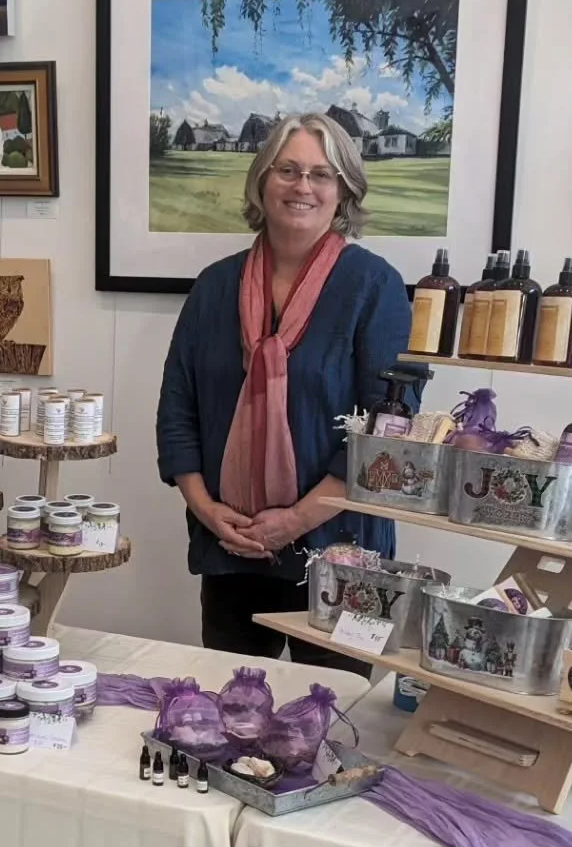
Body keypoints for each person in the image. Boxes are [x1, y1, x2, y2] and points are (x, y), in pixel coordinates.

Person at [155, 111, 413, 671]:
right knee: (234, 705)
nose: (303, 186)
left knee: (335, 710)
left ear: (344, 189)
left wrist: (294, 520)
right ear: (262, 180)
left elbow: (388, 430)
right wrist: (207, 510)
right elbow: (178, 409)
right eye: (287, 170)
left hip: (340, 549)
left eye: (321, 174)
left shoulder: (375, 286)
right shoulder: (215, 287)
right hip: (232, 545)